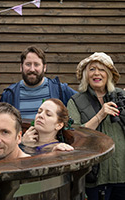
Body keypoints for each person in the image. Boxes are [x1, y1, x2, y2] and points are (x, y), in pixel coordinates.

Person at [67, 52, 125, 200]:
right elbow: (74, 135)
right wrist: (100, 115)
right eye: (92, 69)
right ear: (86, 75)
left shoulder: (120, 95)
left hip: (123, 175)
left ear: (109, 74)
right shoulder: (76, 101)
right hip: (95, 176)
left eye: (102, 69)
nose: (96, 73)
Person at [0, 46, 77, 119]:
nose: (32, 69)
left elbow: (83, 103)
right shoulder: (9, 94)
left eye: (36, 64)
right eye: (28, 64)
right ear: (21, 67)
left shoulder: (60, 90)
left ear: (44, 67)